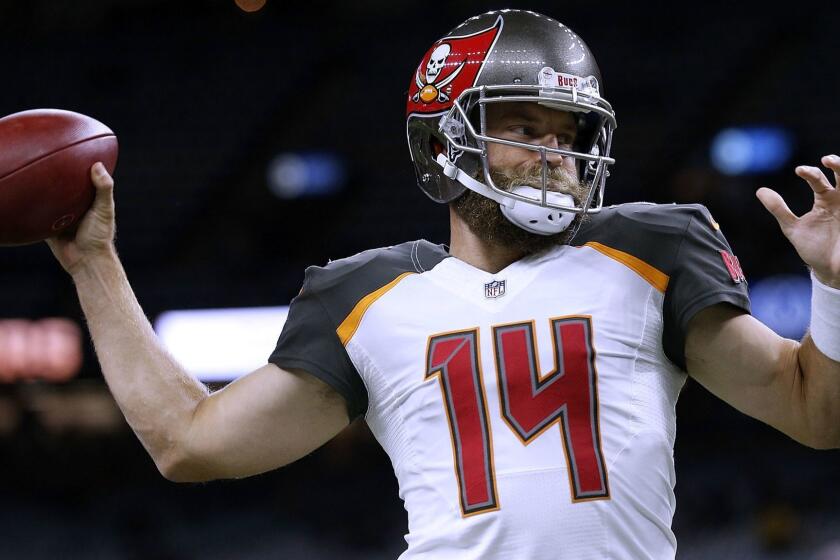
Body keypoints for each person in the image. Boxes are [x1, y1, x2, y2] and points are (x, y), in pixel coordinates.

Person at [47, 9, 840, 560]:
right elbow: (190, 444)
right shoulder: (366, 296)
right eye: (526, 129)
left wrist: (835, 290)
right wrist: (95, 264)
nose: (555, 155)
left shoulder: (650, 249)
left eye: (569, 135)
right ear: (446, 140)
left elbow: (815, 413)